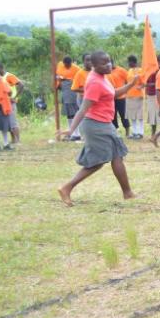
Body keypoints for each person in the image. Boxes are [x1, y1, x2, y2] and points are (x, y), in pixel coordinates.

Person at [56, 51, 139, 206]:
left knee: (117, 156)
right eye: (103, 63)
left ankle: (127, 192)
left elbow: (113, 94)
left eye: (109, 61)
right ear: (94, 65)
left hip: (105, 123)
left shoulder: (103, 77)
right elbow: (83, 109)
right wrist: (71, 130)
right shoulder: (94, 82)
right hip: (96, 125)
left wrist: (131, 85)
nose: (108, 65)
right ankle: (67, 187)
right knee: (97, 162)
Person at [0, 64, 23, 144]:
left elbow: (21, 85)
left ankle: (17, 141)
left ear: (0, 69)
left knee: (13, 123)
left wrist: (15, 97)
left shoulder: (9, 76)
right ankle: (13, 140)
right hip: (3, 104)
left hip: (11, 103)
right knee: (8, 123)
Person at [55, 56, 83, 135]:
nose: (67, 66)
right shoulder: (60, 65)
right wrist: (59, 79)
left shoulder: (76, 69)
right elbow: (57, 74)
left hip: (72, 92)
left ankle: (77, 133)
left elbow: (80, 79)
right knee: (68, 113)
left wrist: (66, 79)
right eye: (66, 65)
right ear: (63, 63)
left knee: (74, 112)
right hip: (64, 92)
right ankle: (71, 132)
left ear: (71, 63)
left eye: (69, 64)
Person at [69, 54, 92, 142]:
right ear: (83, 61)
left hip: (94, 99)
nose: (89, 62)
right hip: (83, 98)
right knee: (84, 116)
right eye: (87, 60)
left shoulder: (95, 72)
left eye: (91, 60)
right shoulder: (80, 73)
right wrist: (86, 90)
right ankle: (84, 135)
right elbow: (74, 88)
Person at [107, 59, 131, 137]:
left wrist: (125, 91)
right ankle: (115, 132)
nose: (110, 65)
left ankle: (127, 131)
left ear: (113, 63)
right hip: (111, 97)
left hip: (121, 97)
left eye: (111, 63)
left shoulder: (121, 70)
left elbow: (128, 80)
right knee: (112, 115)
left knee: (123, 114)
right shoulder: (106, 72)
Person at [125, 56, 146, 139]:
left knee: (139, 115)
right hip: (129, 95)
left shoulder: (140, 71)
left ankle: (140, 133)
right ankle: (134, 132)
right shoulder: (129, 71)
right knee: (132, 115)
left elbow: (144, 82)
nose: (128, 64)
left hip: (138, 96)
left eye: (129, 62)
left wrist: (140, 87)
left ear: (133, 62)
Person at [145, 58, 160, 137]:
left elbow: (159, 83)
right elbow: (145, 82)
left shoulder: (159, 71)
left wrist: (149, 84)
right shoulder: (147, 70)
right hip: (150, 95)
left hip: (158, 94)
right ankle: (153, 133)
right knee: (152, 115)